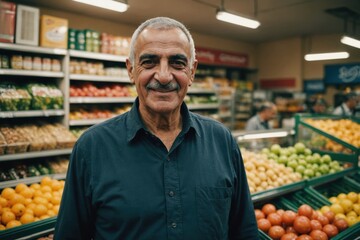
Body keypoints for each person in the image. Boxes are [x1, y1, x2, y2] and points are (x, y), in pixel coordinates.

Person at [54, 17, 259, 239]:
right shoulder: (92, 148)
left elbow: (244, 231)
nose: (163, 76)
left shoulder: (222, 141)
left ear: (192, 72)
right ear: (131, 70)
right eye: (149, 62)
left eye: (177, 63)